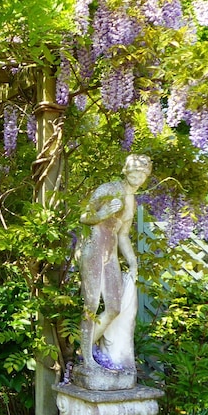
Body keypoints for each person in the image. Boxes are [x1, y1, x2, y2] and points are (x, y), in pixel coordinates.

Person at [78, 154, 152, 371]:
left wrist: (133, 262)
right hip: (93, 248)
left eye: (142, 175)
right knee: (91, 305)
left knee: (113, 308)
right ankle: (87, 360)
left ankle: (83, 350)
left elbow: (123, 235)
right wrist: (102, 213)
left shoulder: (132, 200)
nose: (137, 178)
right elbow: (84, 216)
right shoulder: (109, 188)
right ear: (125, 171)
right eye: (134, 173)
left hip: (110, 253)